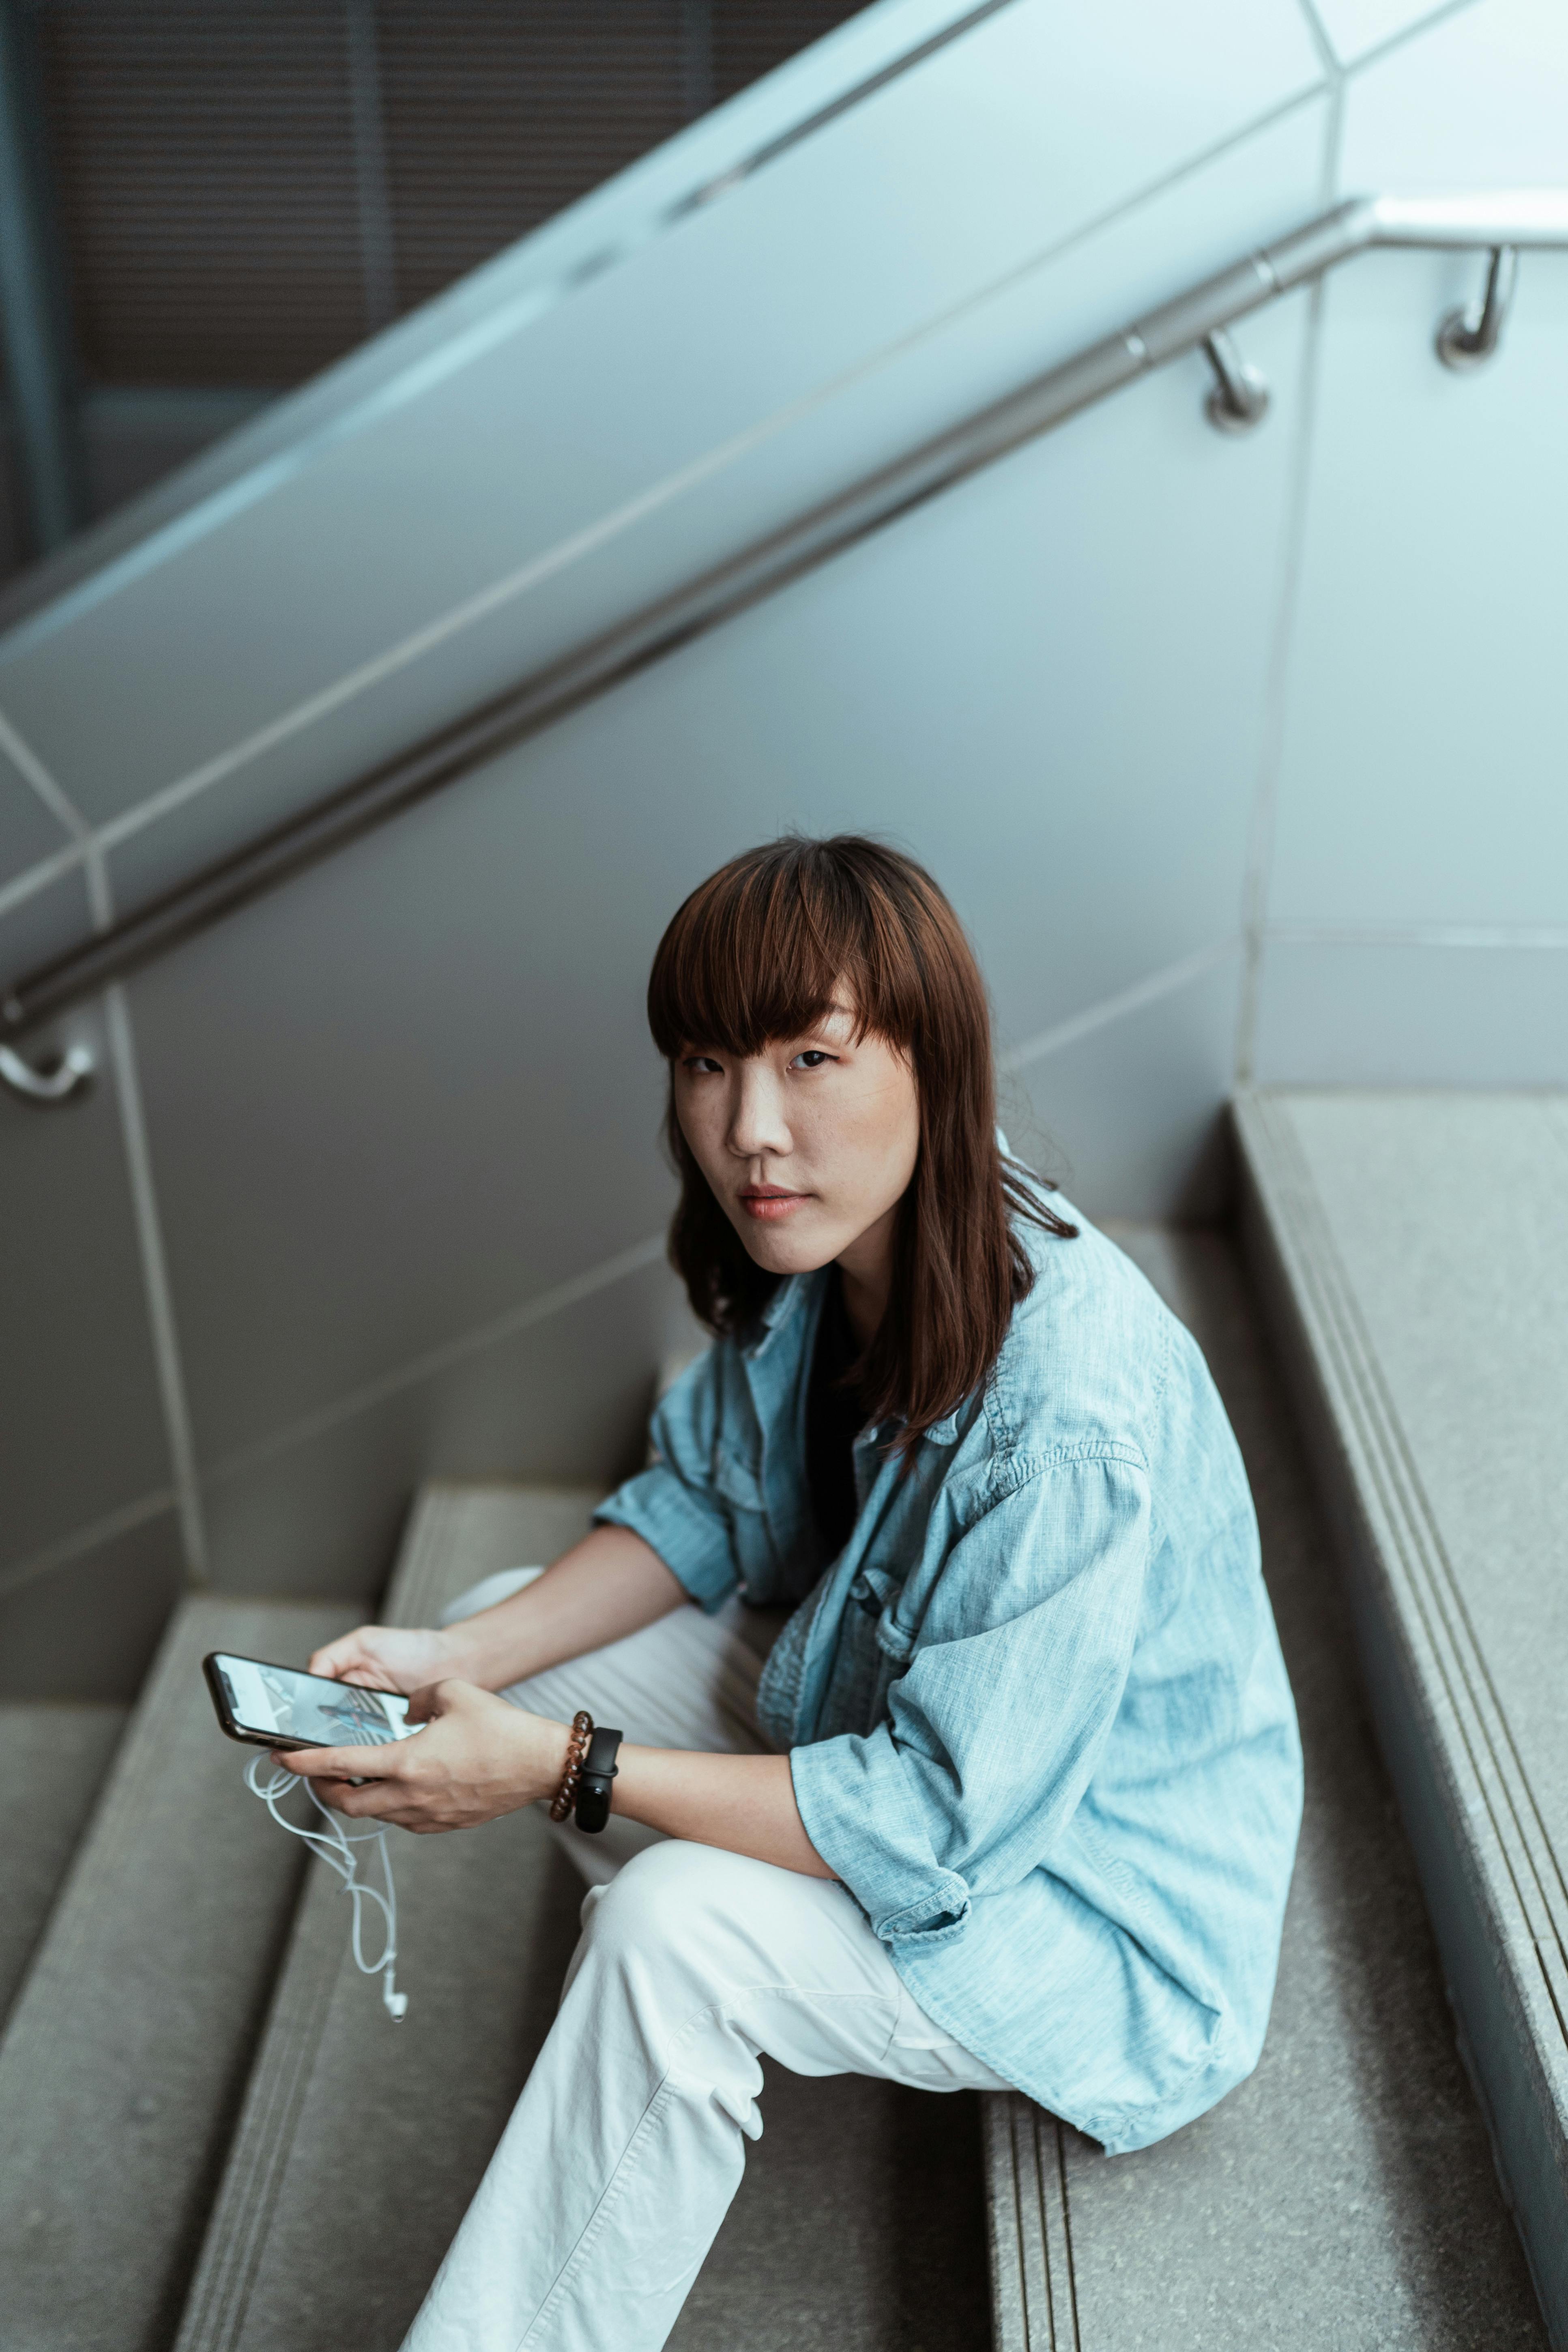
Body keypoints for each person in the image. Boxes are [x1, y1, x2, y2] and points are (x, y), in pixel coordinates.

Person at [292, 835, 1303, 2352]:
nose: (751, 1130)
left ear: (934, 1066)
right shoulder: (822, 1239)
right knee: (514, 1627)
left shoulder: (1069, 1414)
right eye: (707, 1063)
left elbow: (941, 1827)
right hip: (900, 1737)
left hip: (1086, 1903)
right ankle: (682, 2039)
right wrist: (456, 1650)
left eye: (813, 1059)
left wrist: (562, 1769)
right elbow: (706, 1498)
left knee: (672, 1927)